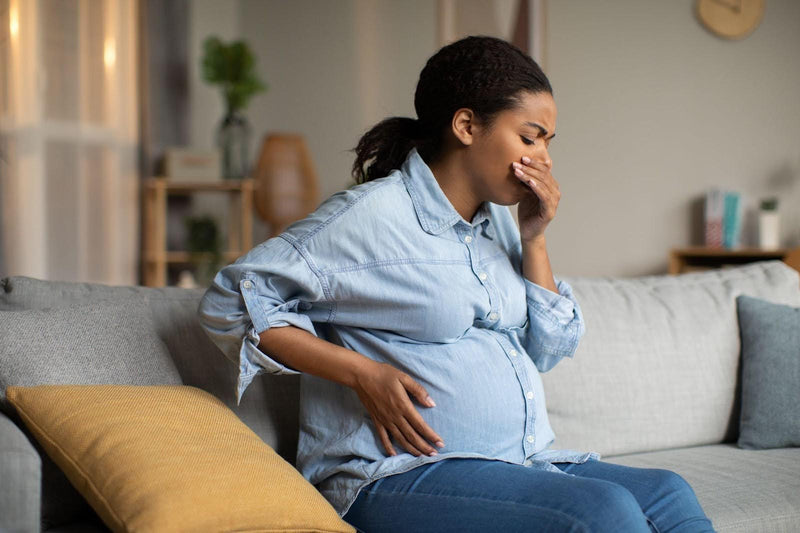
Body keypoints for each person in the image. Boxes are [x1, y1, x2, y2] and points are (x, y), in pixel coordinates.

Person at [197, 35, 715, 532]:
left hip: (515, 465)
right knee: (597, 511)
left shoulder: (494, 227)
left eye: (549, 142)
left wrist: (534, 239)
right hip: (392, 477)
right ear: (467, 125)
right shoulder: (371, 217)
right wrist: (361, 373)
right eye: (530, 137)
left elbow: (550, 349)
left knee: (668, 493)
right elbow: (231, 300)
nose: (546, 158)